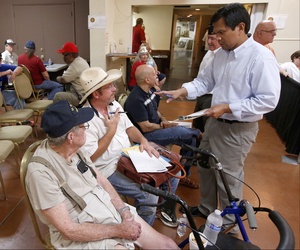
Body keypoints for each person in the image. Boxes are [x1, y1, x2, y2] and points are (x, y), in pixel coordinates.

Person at [156, 3, 281, 234]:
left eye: (222, 32)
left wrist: (228, 107)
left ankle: (230, 225)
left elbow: (268, 100)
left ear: (241, 27)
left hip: (238, 129)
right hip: (214, 123)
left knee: (228, 176)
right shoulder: (221, 55)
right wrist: (181, 91)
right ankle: (206, 208)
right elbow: (205, 82)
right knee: (205, 166)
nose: (218, 38)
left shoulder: (260, 57)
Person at [25, 100, 178, 250]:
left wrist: (123, 210)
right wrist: (119, 230)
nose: (86, 129)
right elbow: (68, 230)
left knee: (168, 245)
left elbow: (102, 180)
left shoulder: (75, 149)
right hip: (80, 231)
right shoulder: (40, 173)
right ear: (70, 137)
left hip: (107, 208)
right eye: (84, 126)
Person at [78, 67, 180, 227]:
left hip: (129, 156)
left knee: (174, 171)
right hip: (107, 169)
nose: (114, 89)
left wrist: (143, 142)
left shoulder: (113, 104)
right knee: (149, 197)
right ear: (96, 94)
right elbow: (91, 157)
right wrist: (111, 131)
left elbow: (130, 128)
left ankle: (160, 209)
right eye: (109, 87)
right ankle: (140, 234)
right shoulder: (85, 119)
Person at [125, 64, 201, 191]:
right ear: (147, 80)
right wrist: (163, 126)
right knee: (180, 131)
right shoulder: (136, 99)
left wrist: (164, 120)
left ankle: (183, 175)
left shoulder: (150, 91)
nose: (157, 74)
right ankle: (199, 133)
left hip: (156, 128)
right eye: (154, 74)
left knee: (190, 140)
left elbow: (156, 111)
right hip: (145, 136)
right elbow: (146, 127)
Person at [192, 25, 221, 132]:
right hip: (201, 95)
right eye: (208, 38)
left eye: (212, 39)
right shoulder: (209, 53)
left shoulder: (223, 56)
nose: (209, 42)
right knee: (196, 126)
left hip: (211, 97)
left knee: (206, 129)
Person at [54, 42, 89, 107]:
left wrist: (58, 78)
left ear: (70, 55)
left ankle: (60, 115)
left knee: (57, 96)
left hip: (80, 97)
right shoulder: (82, 61)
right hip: (85, 94)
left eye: (64, 55)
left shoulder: (74, 66)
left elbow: (64, 79)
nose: (63, 57)